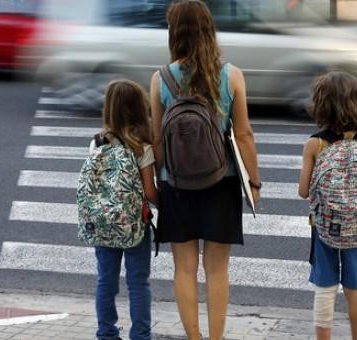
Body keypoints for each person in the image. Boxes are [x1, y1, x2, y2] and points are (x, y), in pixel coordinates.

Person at [149, 1, 261, 339]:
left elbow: (156, 139)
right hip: (221, 181)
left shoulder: (160, 79)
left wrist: (160, 182)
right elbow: (243, 135)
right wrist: (253, 182)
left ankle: (194, 337)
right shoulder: (231, 75)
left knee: (184, 268)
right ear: (209, 31)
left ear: (174, 34)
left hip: (176, 184)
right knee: (217, 269)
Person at [298, 71, 357, 340]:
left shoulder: (315, 143)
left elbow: (303, 191)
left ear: (321, 106)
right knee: (355, 288)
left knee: (325, 286)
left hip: (325, 227)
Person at [91, 79, 157, 340]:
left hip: (105, 223)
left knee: (106, 281)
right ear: (140, 108)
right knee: (138, 283)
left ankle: (106, 333)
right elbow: (150, 192)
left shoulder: (97, 142)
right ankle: (140, 335)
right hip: (134, 225)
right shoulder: (142, 145)